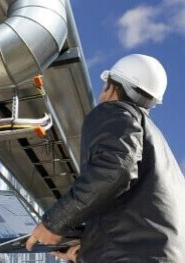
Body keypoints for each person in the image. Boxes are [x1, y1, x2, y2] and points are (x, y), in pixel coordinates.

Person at [26, 54, 185, 262]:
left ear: (110, 87)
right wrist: (89, 250)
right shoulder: (161, 150)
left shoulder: (116, 112)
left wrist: (55, 222)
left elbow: (117, 168)